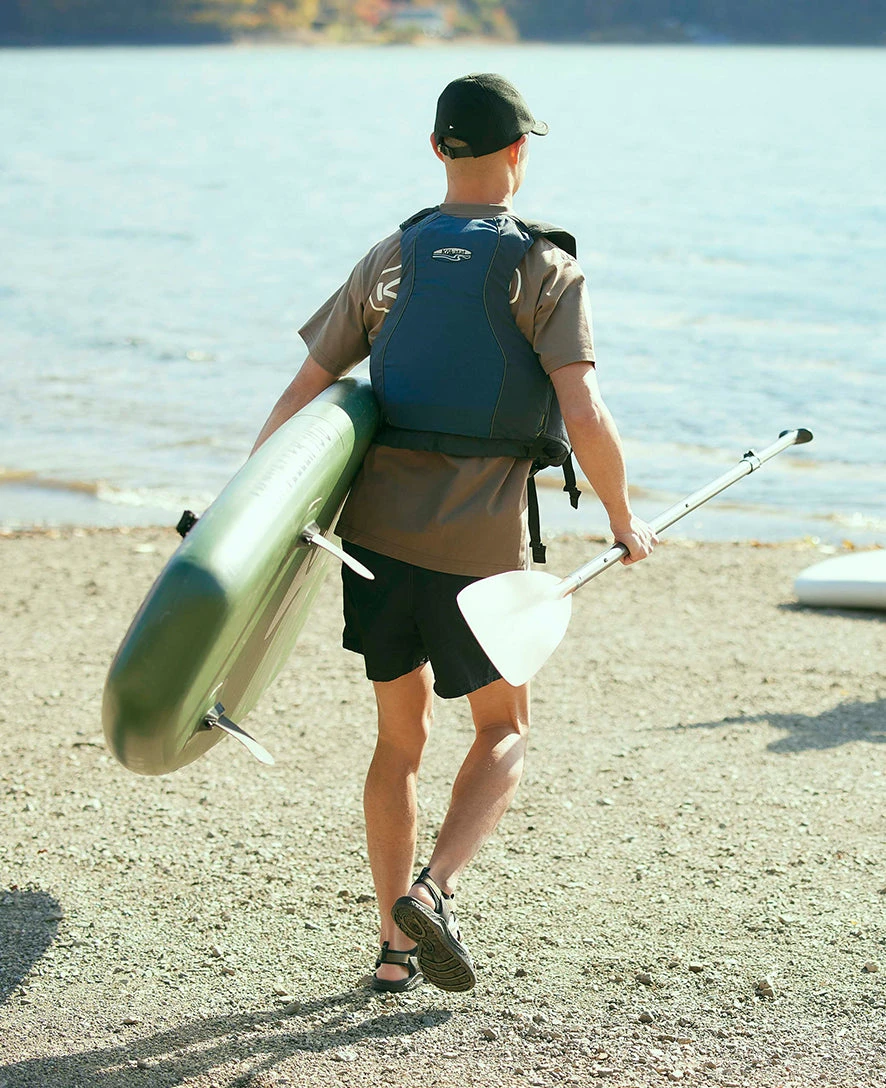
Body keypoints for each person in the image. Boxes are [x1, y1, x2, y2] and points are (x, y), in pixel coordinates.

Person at [252, 73, 657, 994]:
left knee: (399, 744)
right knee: (504, 728)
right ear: (520, 151)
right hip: (479, 554)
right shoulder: (544, 267)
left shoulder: (386, 258)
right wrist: (624, 517)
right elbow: (582, 406)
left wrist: (251, 509)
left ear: (438, 150)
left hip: (374, 542)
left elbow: (301, 394)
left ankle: (393, 952)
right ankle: (432, 892)